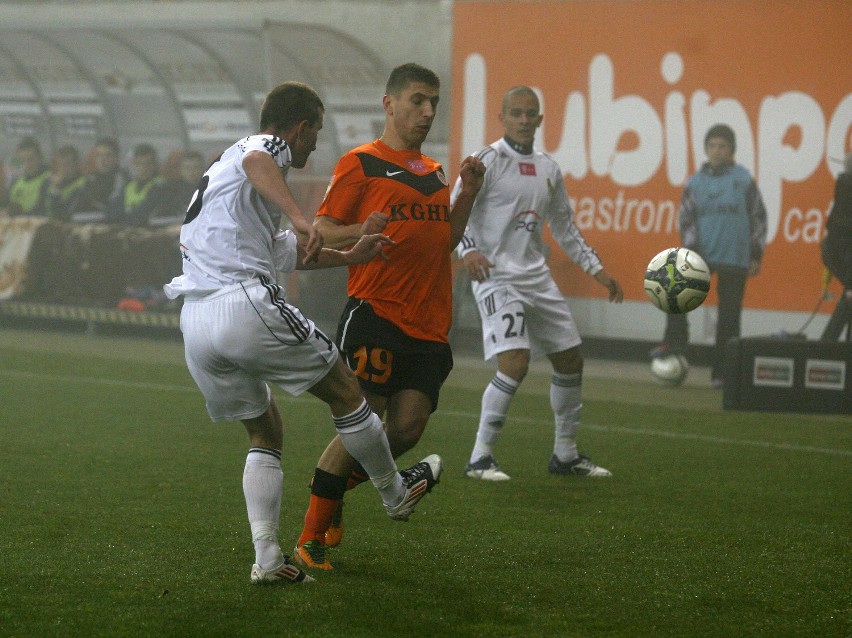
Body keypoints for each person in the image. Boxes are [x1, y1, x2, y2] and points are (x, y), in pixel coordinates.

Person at [162, 81, 442, 586]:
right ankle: (395, 493)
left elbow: (285, 250)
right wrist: (301, 215)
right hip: (242, 303)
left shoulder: (227, 183)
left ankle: (268, 559)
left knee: (265, 430)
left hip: (196, 321)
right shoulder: (262, 148)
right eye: (315, 131)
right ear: (299, 127)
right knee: (347, 389)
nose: (315, 143)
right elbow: (260, 161)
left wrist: (349, 254)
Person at [292, 63, 485, 570]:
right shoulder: (361, 163)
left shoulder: (434, 172)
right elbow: (320, 232)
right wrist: (362, 228)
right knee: (364, 424)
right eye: (418, 101)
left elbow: (443, 241)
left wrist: (467, 193)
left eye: (433, 104)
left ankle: (330, 496)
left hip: (429, 323)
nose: (426, 112)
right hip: (376, 311)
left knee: (408, 428)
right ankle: (310, 538)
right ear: (390, 104)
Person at [455, 86, 623, 482]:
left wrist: (597, 270)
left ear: (541, 119)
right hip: (495, 275)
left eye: (531, 114)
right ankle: (480, 457)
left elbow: (565, 227)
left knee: (570, 359)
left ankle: (565, 456)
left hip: (535, 275)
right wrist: (468, 252)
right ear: (503, 117)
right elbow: (454, 210)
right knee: (515, 362)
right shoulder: (487, 160)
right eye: (516, 113)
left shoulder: (548, 168)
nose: (524, 120)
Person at [651, 124, 768, 388]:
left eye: (723, 146)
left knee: (729, 319)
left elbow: (758, 217)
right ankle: (676, 344)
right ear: (706, 149)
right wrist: (692, 250)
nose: (717, 151)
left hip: (736, 257)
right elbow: (686, 218)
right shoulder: (695, 182)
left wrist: (756, 254)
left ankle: (723, 373)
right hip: (702, 254)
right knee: (675, 292)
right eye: (713, 146)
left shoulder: (744, 180)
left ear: (732, 151)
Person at [820, 151, 852, 341]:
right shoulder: (847, 188)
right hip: (842, 252)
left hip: (837, 251)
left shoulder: (844, 186)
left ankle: (825, 348)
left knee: (848, 299)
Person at [111, 143, 170, 225]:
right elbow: (114, 211)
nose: (143, 168)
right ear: (133, 165)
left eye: (148, 164)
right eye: (138, 164)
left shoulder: (160, 186)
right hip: (126, 228)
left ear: (155, 165)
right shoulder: (128, 186)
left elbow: (143, 214)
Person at [79, 136, 129, 219]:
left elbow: (113, 206)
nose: (102, 160)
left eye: (108, 155)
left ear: (116, 157)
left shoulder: (122, 179)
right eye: (99, 155)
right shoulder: (89, 178)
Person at [5, 136, 51, 217]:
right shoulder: (16, 181)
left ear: (39, 157)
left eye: (31, 159)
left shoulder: (49, 179)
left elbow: (43, 210)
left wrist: (19, 214)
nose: (27, 165)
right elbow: (7, 204)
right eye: (23, 160)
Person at [160, 149, 207, 224]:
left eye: (196, 167)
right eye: (187, 168)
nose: (192, 171)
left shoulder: (210, 189)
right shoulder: (171, 191)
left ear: (203, 169)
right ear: (181, 169)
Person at [46, 145, 87, 221]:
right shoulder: (49, 182)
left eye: (67, 164)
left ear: (76, 164)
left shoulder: (82, 185)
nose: (62, 168)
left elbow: (63, 215)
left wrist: (56, 191)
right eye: (59, 164)